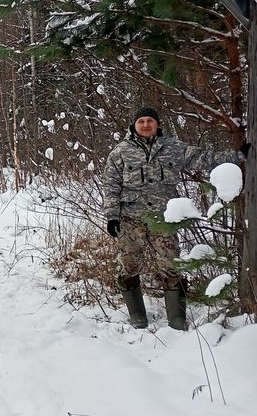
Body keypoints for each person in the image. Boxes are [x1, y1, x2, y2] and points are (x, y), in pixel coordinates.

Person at [102, 107, 248, 330]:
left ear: (157, 124)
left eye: (150, 120)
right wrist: (112, 216)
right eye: (141, 121)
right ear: (134, 125)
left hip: (163, 219)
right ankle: (137, 317)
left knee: (171, 267)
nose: (146, 124)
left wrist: (238, 156)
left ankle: (177, 320)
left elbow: (204, 159)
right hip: (130, 219)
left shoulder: (173, 148)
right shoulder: (120, 152)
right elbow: (111, 186)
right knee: (129, 267)